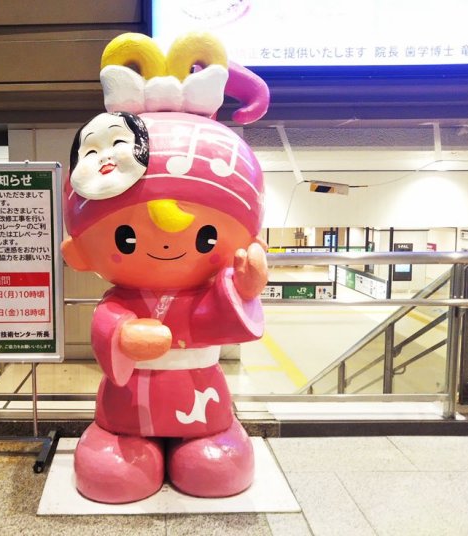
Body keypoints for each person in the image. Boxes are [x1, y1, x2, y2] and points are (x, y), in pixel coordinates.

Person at [61, 31, 270, 503]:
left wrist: (244, 286)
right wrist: (123, 335)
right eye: (126, 238)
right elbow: (106, 321)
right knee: (116, 466)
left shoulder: (210, 288)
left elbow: (222, 316)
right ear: (79, 252)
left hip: (202, 396)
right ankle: (122, 442)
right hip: (127, 403)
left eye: (206, 236)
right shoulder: (122, 298)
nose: (169, 246)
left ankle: (208, 439)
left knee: (212, 463)